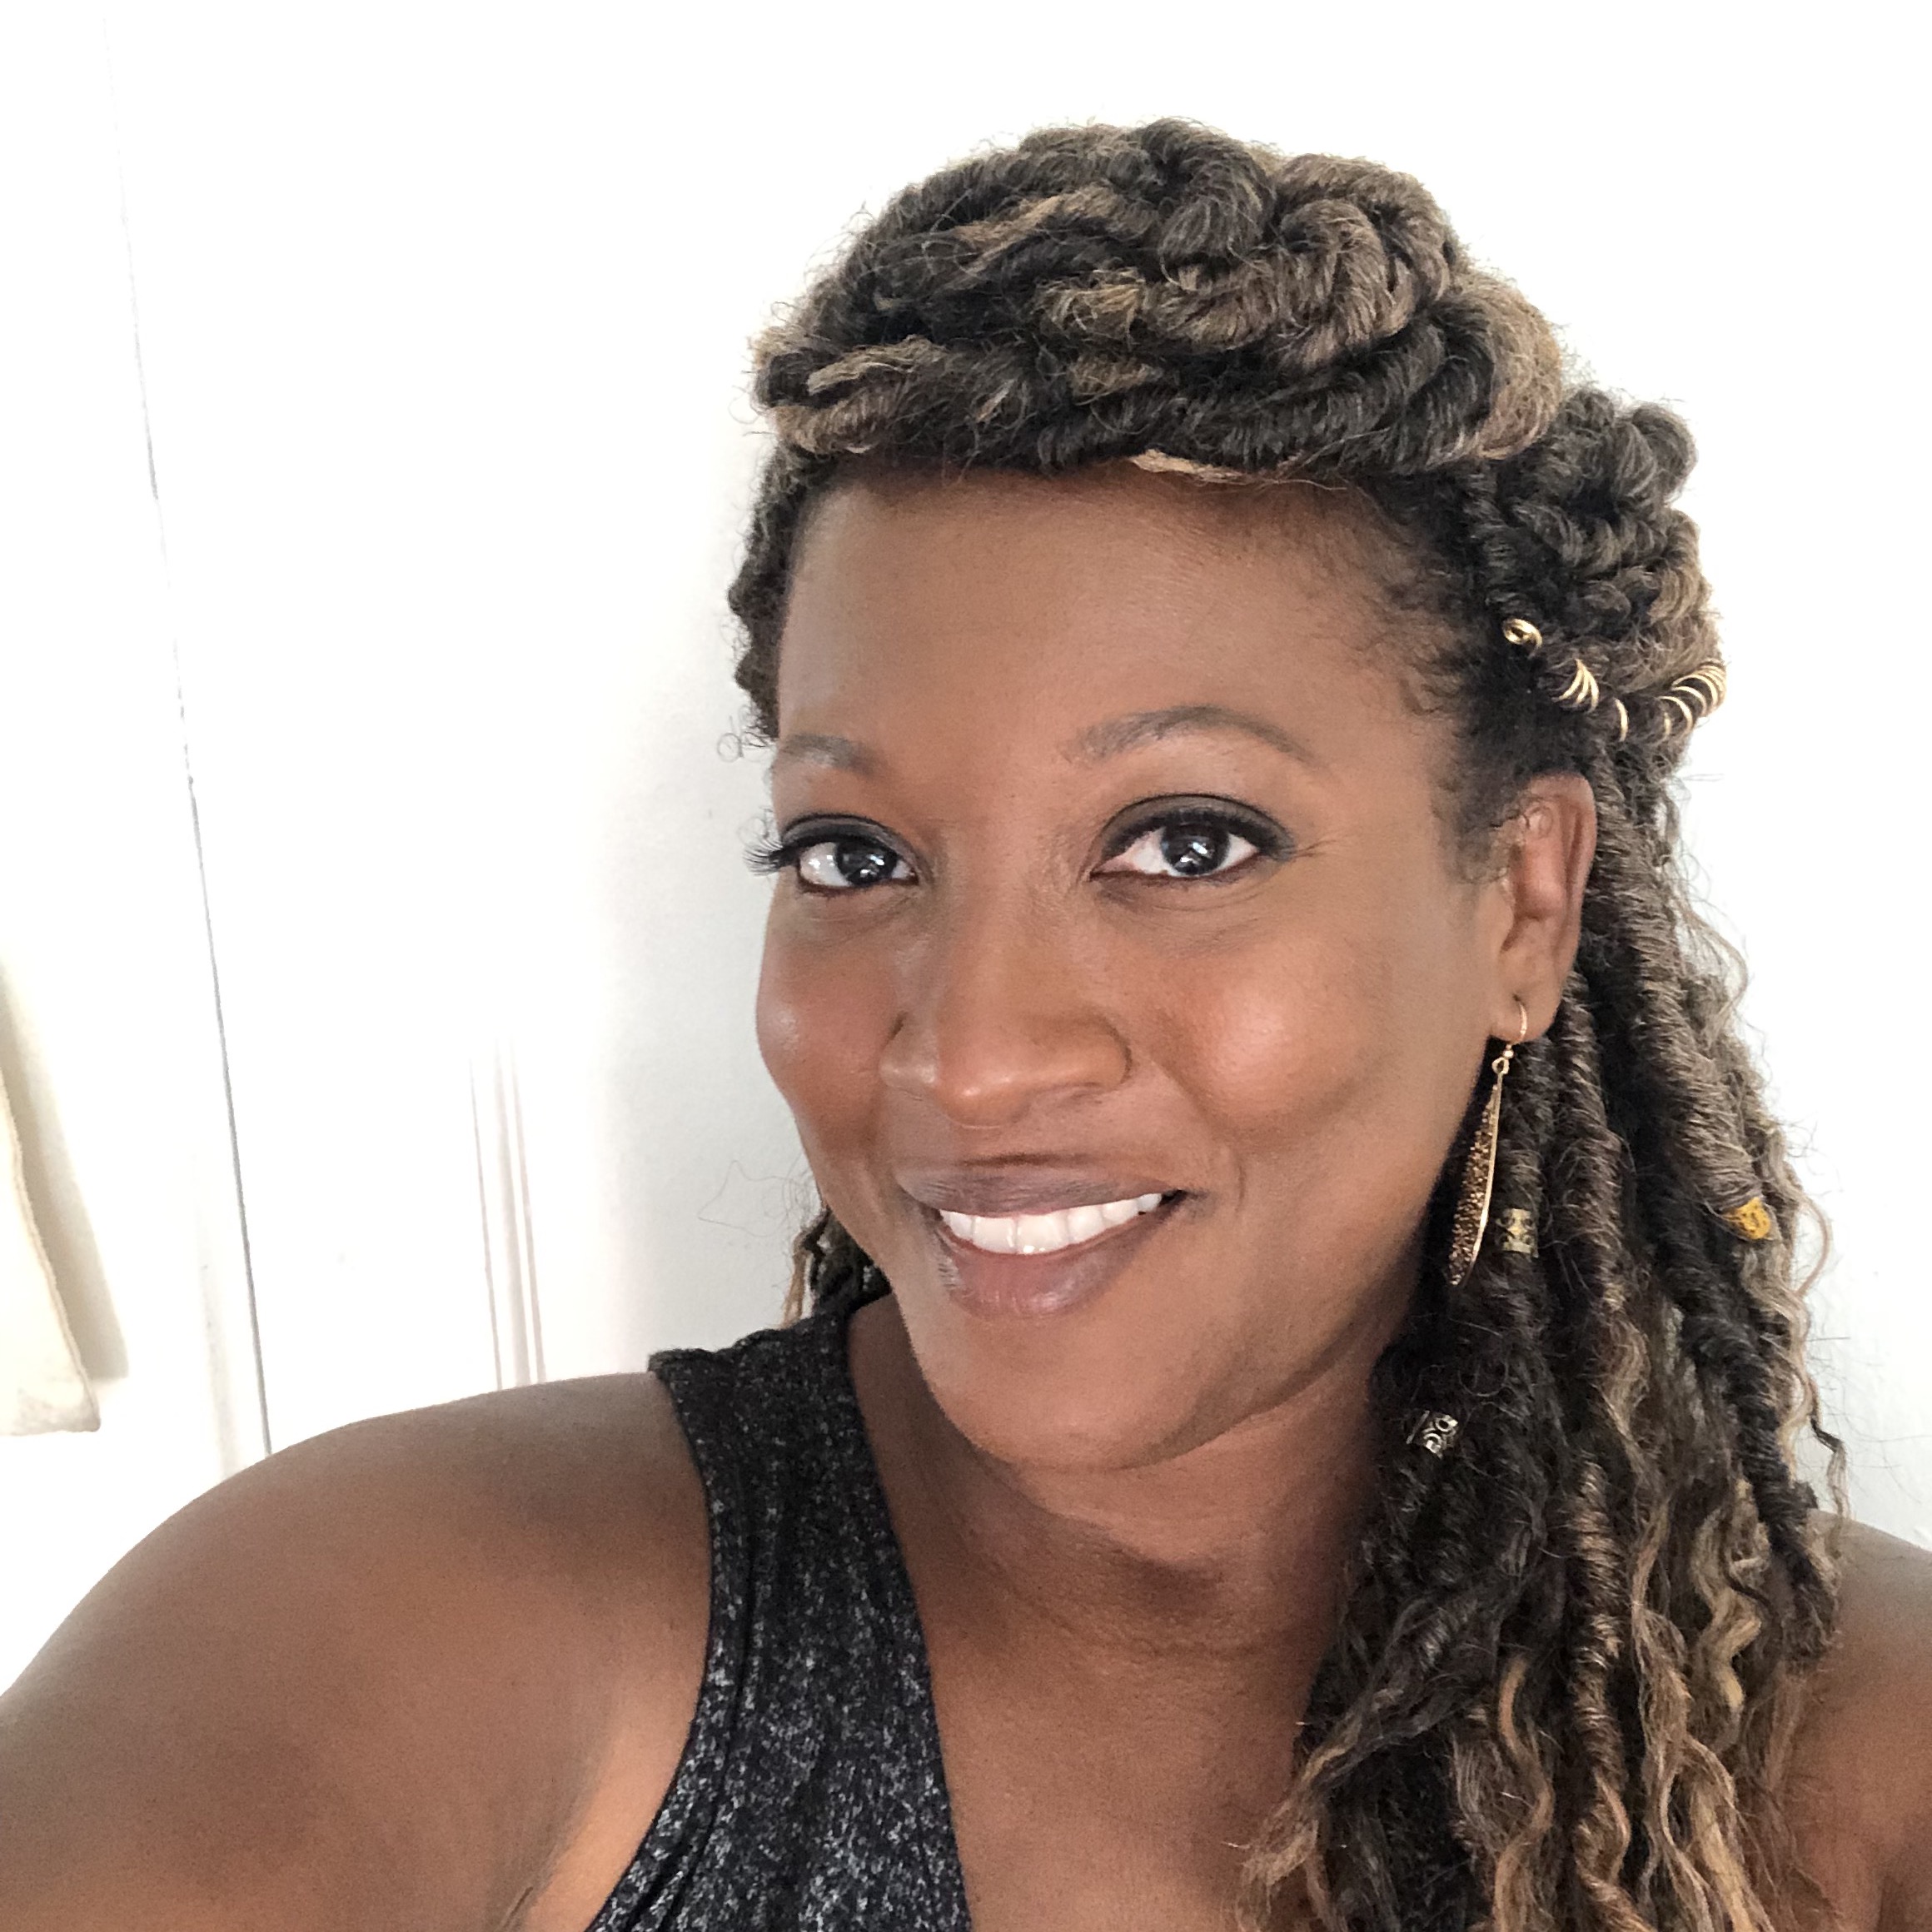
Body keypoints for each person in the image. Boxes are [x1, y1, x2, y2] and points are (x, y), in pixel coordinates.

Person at [2, 117, 1928, 1932]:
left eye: (1184, 840)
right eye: (852, 853)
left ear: (1520, 901)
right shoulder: (406, 1608)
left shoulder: (1861, 1763)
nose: (968, 1056)